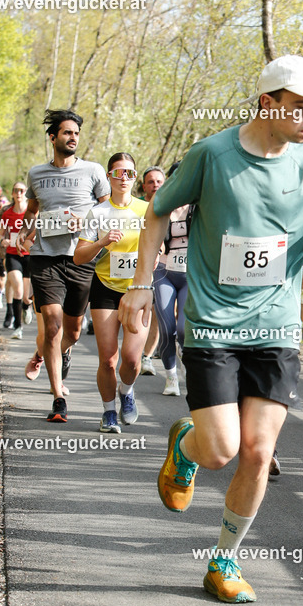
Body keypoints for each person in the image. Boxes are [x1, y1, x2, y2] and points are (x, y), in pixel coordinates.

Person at [120, 55, 303, 602]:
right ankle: (186, 449)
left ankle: (224, 560)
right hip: (215, 325)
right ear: (269, 104)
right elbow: (157, 212)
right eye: (302, 106)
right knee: (220, 450)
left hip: (277, 325)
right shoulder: (212, 154)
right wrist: (143, 284)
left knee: (258, 452)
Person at [17, 109, 110, 422]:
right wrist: (24, 230)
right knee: (53, 327)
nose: (73, 138)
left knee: (71, 329)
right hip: (45, 257)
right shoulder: (36, 173)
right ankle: (58, 399)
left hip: (81, 258)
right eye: (67, 133)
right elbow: (31, 208)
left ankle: (42, 354)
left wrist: (85, 221)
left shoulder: (94, 171)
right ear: (53, 137)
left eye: (76, 134)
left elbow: (108, 208)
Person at [74, 152, 149, 432]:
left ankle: (126, 392)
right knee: (108, 359)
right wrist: (102, 242)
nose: (123, 178)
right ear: (109, 177)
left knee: (131, 359)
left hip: (137, 290)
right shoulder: (98, 212)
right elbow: (79, 257)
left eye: (129, 173)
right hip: (105, 287)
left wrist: (153, 259)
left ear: (135, 177)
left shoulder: (145, 210)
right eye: (118, 173)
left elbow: (160, 247)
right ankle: (108, 413)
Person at [151, 161, 189, 397]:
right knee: (166, 329)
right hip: (164, 272)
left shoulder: (199, 208)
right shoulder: (161, 207)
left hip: (190, 274)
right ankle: (171, 376)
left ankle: (185, 357)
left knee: (184, 329)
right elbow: (151, 240)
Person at [139, 165, 166, 375]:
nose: (155, 184)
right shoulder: (138, 208)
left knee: (157, 313)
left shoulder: (172, 208)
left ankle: (147, 357)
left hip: (164, 268)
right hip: (134, 268)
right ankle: (133, 351)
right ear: (144, 186)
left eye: (159, 181)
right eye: (151, 181)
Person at [0, 183, 33, 339]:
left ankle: (26, 305)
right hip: (12, 254)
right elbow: (1, 233)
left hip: (29, 255)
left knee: (26, 296)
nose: (19, 193)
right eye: (16, 191)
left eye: (22, 191)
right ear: (12, 193)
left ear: (25, 193)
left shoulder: (31, 212)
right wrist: (3, 240)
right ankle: (18, 327)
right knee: (17, 288)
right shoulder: (7, 214)